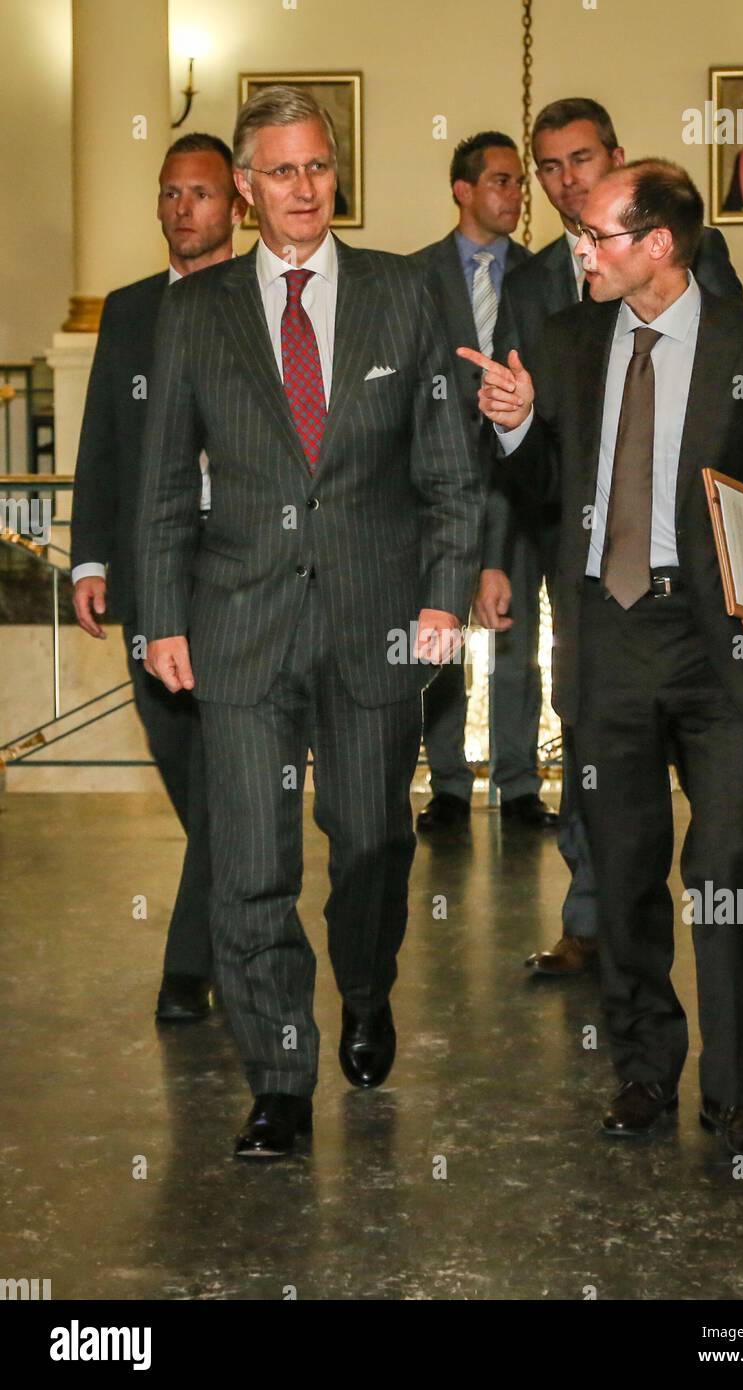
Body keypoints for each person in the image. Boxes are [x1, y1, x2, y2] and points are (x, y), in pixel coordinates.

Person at [135, 86, 483, 1159]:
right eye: (279, 171)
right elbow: (157, 487)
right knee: (249, 863)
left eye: (317, 167)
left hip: (376, 621)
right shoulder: (193, 313)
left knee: (373, 842)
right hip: (237, 624)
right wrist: (160, 616)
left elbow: (449, 468)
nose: (301, 188)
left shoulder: (404, 293)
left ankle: (367, 989)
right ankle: (281, 1074)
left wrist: (441, 593)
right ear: (246, 188)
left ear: (339, 174)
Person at [461, 159, 743, 1157]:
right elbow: (536, 488)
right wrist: (517, 421)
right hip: (605, 638)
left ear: (656, 243)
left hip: (715, 647)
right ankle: (642, 1072)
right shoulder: (567, 342)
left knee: (723, 865)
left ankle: (737, 1093)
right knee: (622, 874)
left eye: (596, 235)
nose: (578, 251)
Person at [492, 97, 743, 976]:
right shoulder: (528, 286)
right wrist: (496, 553)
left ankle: (688, 951)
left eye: (581, 159)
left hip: (686, 571)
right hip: (578, 554)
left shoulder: (695, 253)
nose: (567, 181)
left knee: (700, 781)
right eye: (549, 168)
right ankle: (591, 920)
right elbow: (511, 427)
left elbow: (737, 393)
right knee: (588, 735)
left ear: (615, 156)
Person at [70, 133, 246, 1022]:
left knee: (231, 764)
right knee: (183, 757)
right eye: (171, 193)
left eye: (202, 194)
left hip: (246, 571)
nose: (183, 209)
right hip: (150, 575)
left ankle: (190, 965)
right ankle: (241, 896)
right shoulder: (130, 310)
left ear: (235, 206)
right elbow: (104, 437)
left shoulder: (269, 302)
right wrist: (91, 557)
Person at [411, 132, 555, 831]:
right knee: (440, 638)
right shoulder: (412, 278)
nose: (515, 195)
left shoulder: (540, 275)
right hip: (434, 493)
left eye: (519, 183)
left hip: (518, 486)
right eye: (500, 181)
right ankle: (446, 785)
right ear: (462, 190)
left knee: (516, 638)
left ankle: (519, 783)